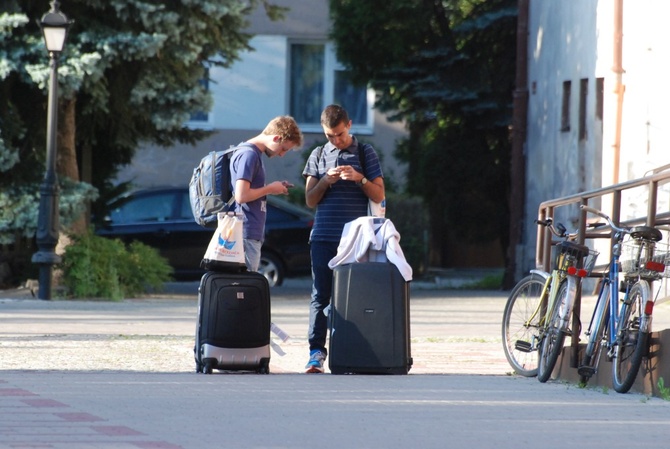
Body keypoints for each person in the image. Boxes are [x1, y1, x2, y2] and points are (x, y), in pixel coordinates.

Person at [301, 104, 385, 373]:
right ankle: (316, 353)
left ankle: (354, 350)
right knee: (320, 297)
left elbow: (379, 195)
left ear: (349, 125)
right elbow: (310, 199)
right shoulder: (317, 154)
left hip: (356, 239)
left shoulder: (365, 152)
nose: (335, 140)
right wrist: (326, 180)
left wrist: (359, 179)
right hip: (324, 236)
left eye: (339, 134)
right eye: (329, 136)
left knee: (355, 297)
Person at [229, 115, 304, 272]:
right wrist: (270, 188)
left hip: (248, 232)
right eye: (283, 148)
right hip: (245, 232)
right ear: (276, 138)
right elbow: (241, 196)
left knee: (245, 288)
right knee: (245, 288)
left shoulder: (252, 154)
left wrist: (274, 188)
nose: (282, 154)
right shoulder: (249, 155)